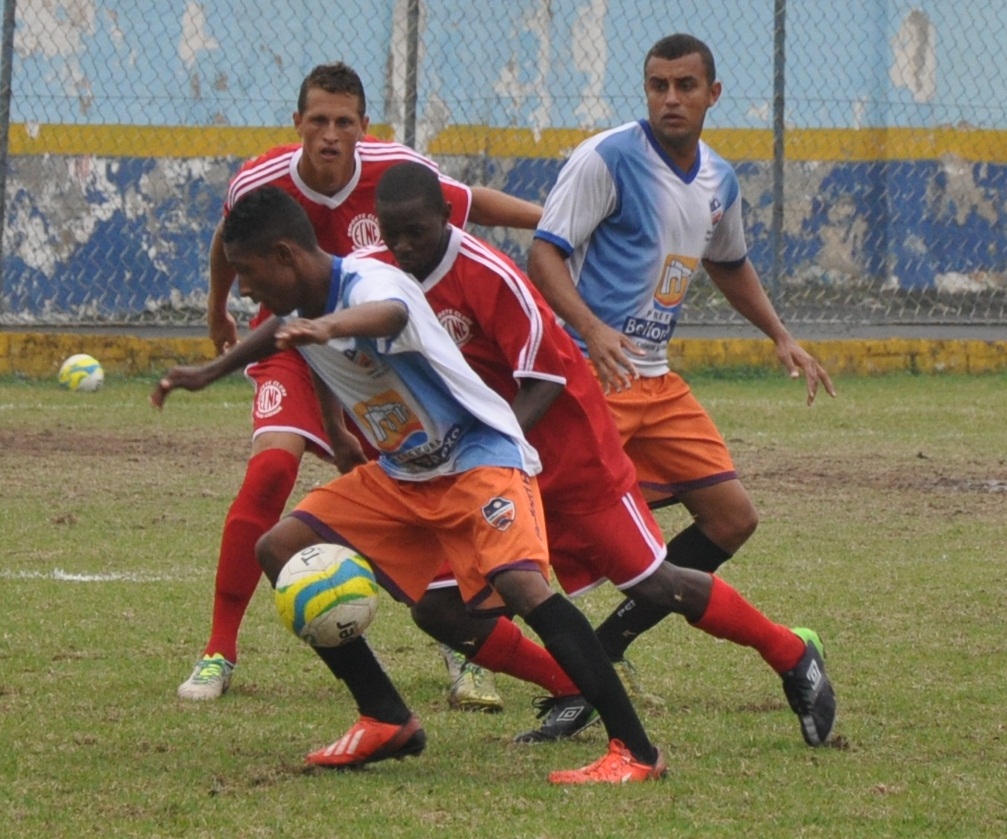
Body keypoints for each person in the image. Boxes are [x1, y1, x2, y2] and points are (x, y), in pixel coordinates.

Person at [153, 186, 667, 784]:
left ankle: (636, 751)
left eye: (247, 271)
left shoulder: (374, 284)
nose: (243, 289)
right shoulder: (301, 310)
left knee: (524, 587)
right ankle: (385, 716)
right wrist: (215, 375)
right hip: (405, 475)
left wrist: (327, 327)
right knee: (277, 547)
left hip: (480, 458)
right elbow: (280, 333)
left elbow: (388, 317)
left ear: (287, 254)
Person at [363, 161, 837, 748]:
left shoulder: (489, 275)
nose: (404, 246)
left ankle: (793, 654)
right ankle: (576, 686)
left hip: (568, 454)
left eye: (416, 231)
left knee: (653, 583)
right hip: (486, 464)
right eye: (392, 234)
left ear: (447, 215)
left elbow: (548, 378)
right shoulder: (381, 280)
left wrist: (492, 452)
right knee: (440, 608)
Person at [178, 61, 541, 709]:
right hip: (292, 342)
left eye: (343, 121)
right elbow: (226, 237)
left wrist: (551, 222)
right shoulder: (263, 177)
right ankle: (218, 649)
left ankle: (467, 646)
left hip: (378, 356)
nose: (329, 133)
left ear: (362, 127)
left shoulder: (394, 168)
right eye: (317, 120)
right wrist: (216, 311)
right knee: (268, 473)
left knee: (426, 488)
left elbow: (469, 201)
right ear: (298, 123)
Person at [526, 33, 838, 710]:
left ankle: (603, 652)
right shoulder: (606, 159)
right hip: (591, 377)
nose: (671, 98)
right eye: (658, 85)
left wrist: (781, 335)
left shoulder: (719, 180)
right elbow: (545, 254)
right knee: (538, 532)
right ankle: (527, 660)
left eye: (686, 86)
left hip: (657, 381)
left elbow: (728, 262)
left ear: (712, 94)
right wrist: (592, 326)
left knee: (731, 517)